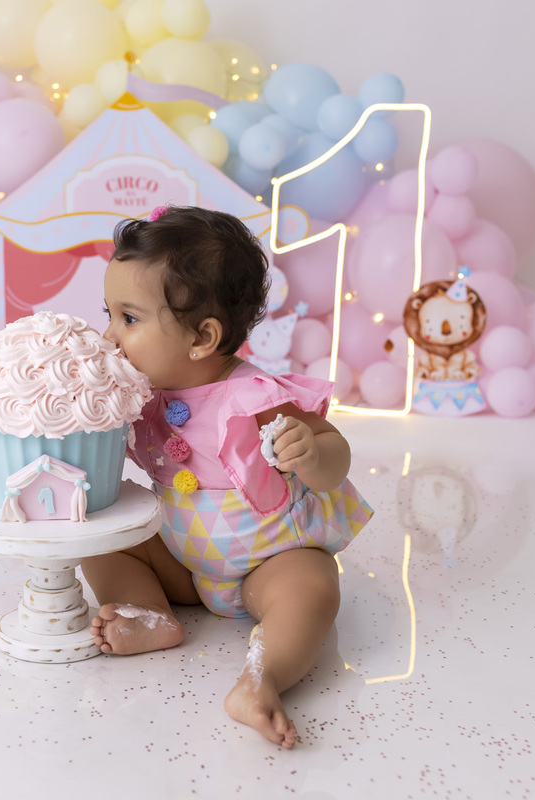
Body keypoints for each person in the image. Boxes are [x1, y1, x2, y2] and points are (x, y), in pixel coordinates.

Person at [82, 205, 373, 749]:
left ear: (202, 337)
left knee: (311, 587)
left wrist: (311, 451)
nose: (110, 335)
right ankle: (150, 614)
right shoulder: (144, 392)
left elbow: (336, 456)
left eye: (129, 318)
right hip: (181, 556)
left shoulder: (252, 396)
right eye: (111, 314)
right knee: (101, 539)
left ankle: (262, 677)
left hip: (267, 560)